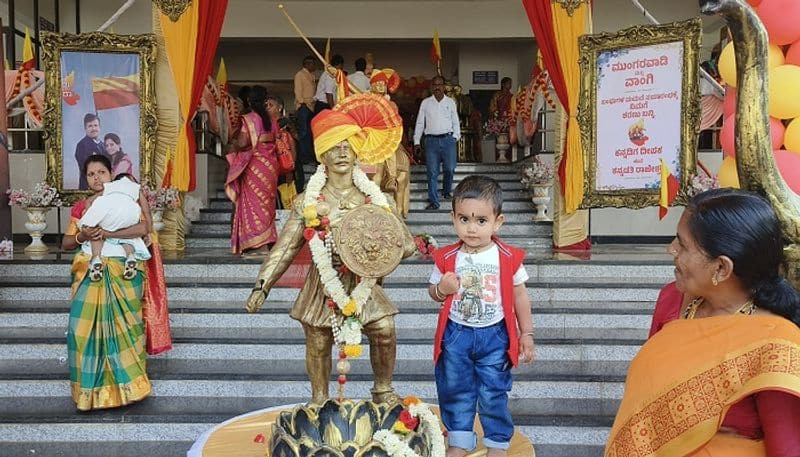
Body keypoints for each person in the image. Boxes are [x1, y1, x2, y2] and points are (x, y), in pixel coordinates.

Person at [245, 94, 415, 406]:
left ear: (356, 150)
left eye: (346, 145)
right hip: (323, 282)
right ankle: (320, 400)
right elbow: (284, 249)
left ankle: (383, 391)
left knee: (384, 328)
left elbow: (405, 246)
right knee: (318, 339)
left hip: (364, 280)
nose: (341, 153)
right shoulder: (308, 203)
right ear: (322, 155)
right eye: (333, 147)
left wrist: (376, 244)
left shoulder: (378, 200)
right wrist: (262, 286)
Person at [605, 189, 800, 457]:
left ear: (721, 268)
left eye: (683, 245)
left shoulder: (776, 343)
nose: (671, 249)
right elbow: (650, 399)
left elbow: (788, 448)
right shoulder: (671, 301)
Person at [429, 175, 534, 457]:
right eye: (464, 219)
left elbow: (521, 296)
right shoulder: (448, 257)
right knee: (455, 388)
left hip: (495, 334)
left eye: (481, 221)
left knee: (492, 392)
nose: (472, 228)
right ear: (453, 218)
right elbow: (434, 293)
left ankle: (497, 443)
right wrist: (442, 288)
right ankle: (460, 440)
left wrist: (527, 334)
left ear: (498, 221)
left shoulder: (507, 257)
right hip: (457, 334)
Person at [61, 155, 152, 411]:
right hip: (91, 274)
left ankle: (129, 389)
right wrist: (83, 234)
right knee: (82, 331)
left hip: (124, 273)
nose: (97, 178)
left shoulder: (126, 198)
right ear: (86, 179)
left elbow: (144, 228)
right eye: (91, 174)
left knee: (125, 330)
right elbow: (66, 243)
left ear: (112, 174)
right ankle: (90, 394)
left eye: (102, 172)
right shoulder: (82, 207)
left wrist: (108, 233)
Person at [225, 86, 279, 256]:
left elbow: (242, 142)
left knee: (254, 204)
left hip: (255, 166)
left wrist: (233, 143)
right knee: (267, 204)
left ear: (249, 101)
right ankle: (268, 241)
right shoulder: (271, 120)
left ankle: (259, 245)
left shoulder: (249, 119)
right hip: (270, 167)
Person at [78, 174, 151, 281]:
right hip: (128, 216)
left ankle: (96, 258)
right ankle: (130, 256)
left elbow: (88, 201)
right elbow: (146, 210)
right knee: (129, 238)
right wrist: (149, 230)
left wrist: (92, 217)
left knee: (96, 233)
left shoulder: (110, 187)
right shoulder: (136, 189)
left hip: (108, 213)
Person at [414, 75, 461, 210]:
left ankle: (446, 192)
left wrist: (455, 137)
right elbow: (420, 122)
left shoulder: (450, 102)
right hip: (431, 142)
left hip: (448, 140)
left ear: (444, 87)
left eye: (440, 85)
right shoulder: (426, 103)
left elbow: (455, 121)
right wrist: (417, 141)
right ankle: (434, 201)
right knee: (432, 172)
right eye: (434, 85)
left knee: (449, 169)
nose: (437, 87)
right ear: (431, 87)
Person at [266, 95, 298, 208]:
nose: (267, 107)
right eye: (266, 105)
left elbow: (292, 146)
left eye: (271, 105)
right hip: (272, 169)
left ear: (279, 108)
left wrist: (291, 167)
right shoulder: (266, 125)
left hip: (286, 169)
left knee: (286, 202)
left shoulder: (285, 124)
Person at [293, 55, 317, 192]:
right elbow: (298, 91)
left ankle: (308, 156)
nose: (315, 67)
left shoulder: (311, 75)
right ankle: (303, 157)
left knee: (309, 132)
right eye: (313, 64)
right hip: (303, 106)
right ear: (307, 64)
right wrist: (302, 103)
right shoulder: (300, 75)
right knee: (303, 132)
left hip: (310, 106)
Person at [75, 113, 109, 190]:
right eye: (90, 126)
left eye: (95, 125)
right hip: (89, 187)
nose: (93, 128)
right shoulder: (82, 145)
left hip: (104, 187)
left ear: (99, 127)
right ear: (85, 128)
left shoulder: (103, 145)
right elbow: (86, 169)